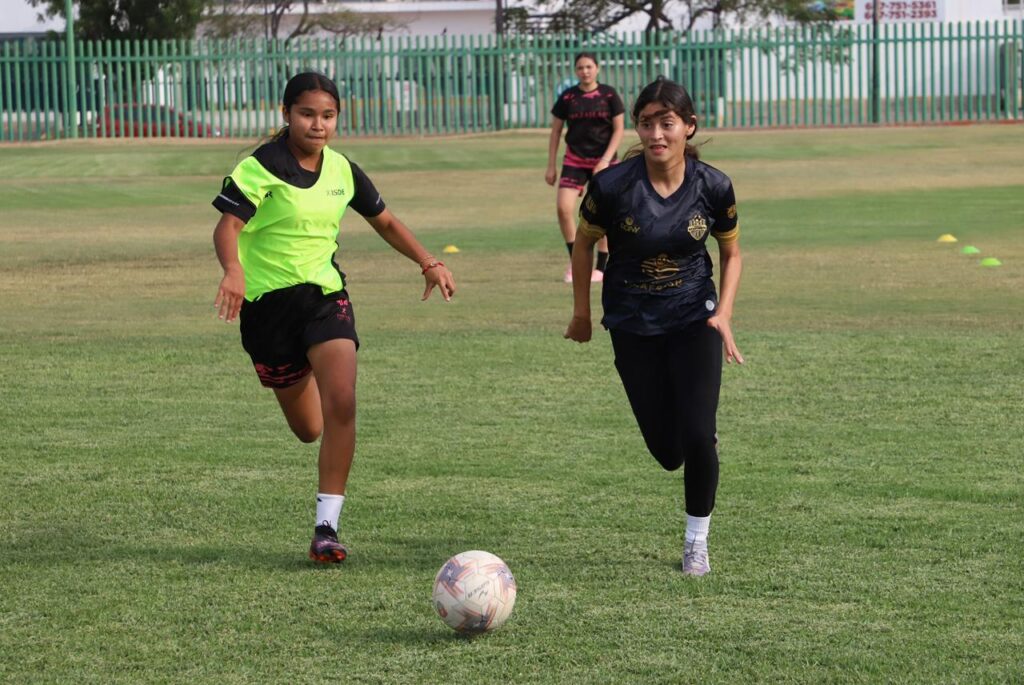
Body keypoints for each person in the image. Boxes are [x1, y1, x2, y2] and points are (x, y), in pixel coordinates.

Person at [211, 72, 455, 564]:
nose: (318, 124)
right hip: (266, 312)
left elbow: (383, 220)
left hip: (324, 298)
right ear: (285, 114)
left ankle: (327, 526)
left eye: (327, 115)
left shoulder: (343, 170)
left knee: (342, 399)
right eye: (307, 114)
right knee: (309, 429)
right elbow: (228, 225)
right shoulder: (261, 167)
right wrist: (233, 269)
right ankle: (311, 419)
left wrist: (429, 261)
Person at [564, 77, 744, 577]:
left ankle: (696, 543)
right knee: (668, 453)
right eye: (647, 123)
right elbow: (583, 245)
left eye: (668, 123)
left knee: (698, 435)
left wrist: (723, 313)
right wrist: (581, 313)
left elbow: (731, 253)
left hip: (695, 317)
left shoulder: (714, 185)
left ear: (689, 126)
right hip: (632, 321)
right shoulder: (611, 186)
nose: (656, 133)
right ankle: (693, 440)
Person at [546, 52, 625, 284]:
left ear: (597, 68)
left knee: (605, 213)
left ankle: (602, 266)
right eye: (580, 68)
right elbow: (556, 132)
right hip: (575, 160)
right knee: (563, 208)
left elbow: (619, 129)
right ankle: (576, 261)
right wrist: (551, 165)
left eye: (589, 67)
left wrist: (605, 160)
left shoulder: (609, 94)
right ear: (575, 71)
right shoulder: (568, 97)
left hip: (605, 161)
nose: (585, 71)